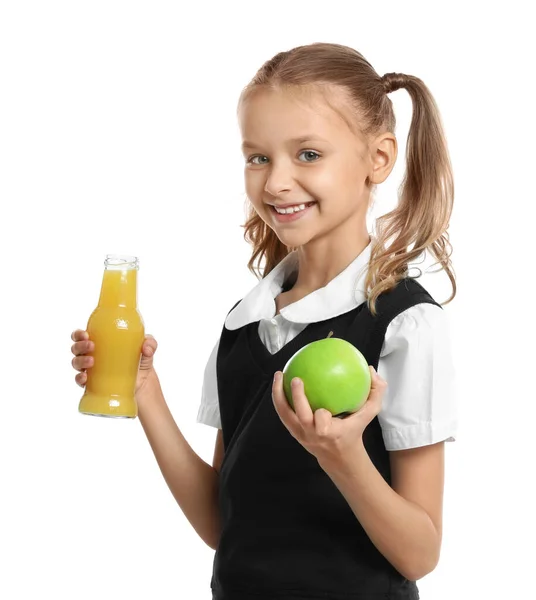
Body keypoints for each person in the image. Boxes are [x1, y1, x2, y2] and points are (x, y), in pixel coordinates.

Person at [71, 42, 458, 600]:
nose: (275, 182)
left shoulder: (403, 324)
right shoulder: (245, 324)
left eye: (307, 155)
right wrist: (144, 393)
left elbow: (420, 554)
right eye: (258, 157)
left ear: (378, 158)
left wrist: (343, 456)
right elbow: (220, 524)